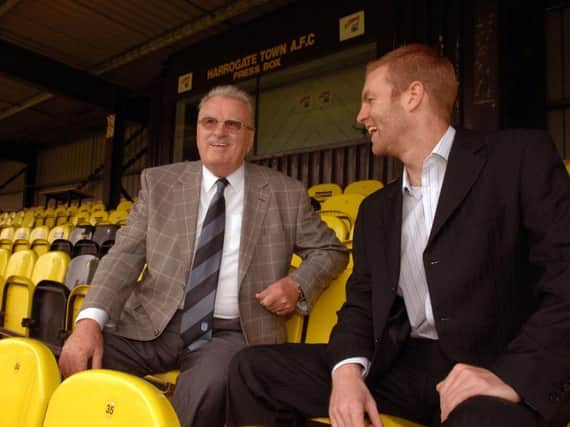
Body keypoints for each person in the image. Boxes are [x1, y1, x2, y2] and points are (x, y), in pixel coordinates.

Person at [227, 44, 570, 427]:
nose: (360, 116)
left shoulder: (519, 157)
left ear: (413, 95)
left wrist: (511, 374)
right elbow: (360, 304)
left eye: (369, 99)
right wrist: (346, 373)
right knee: (252, 369)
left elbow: (565, 281)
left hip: (495, 365)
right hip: (406, 364)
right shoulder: (376, 209)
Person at [58, 85, 349, 427]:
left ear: (250, 137)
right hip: (154, 324)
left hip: (232, 333)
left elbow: (330, 250)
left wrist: (298, 285)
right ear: (197, 130)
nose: (219, 133)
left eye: (233, 125)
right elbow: (124, 256)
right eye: (209, 122)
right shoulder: (159, 184)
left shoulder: (286, 193)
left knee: (206, 388)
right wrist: (89, 323)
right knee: (74, 354)